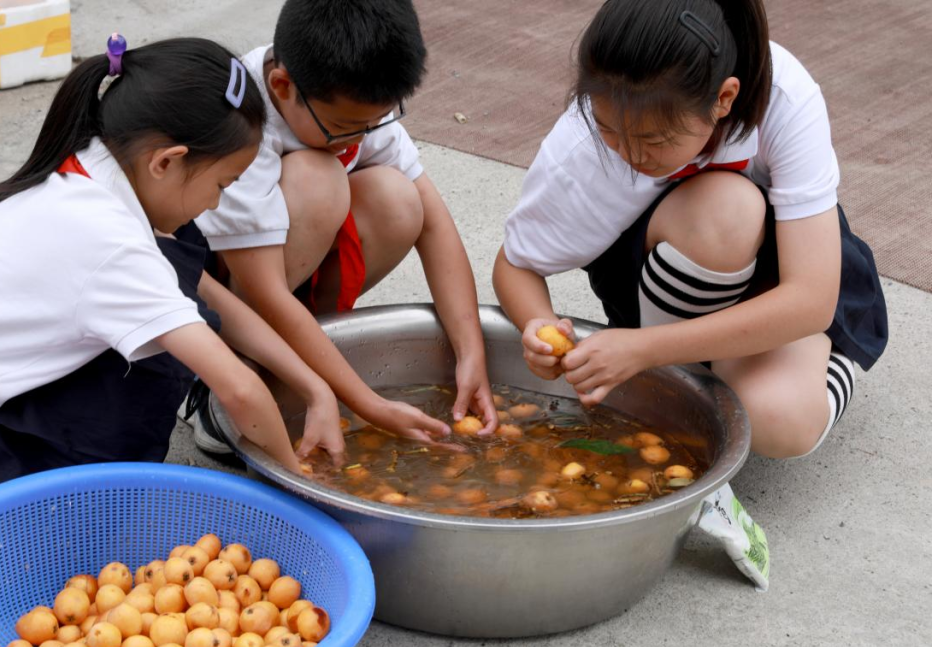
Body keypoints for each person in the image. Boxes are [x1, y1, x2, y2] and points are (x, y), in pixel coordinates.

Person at [0, 36, 343, 605]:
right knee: (150, 378)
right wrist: (305, 497)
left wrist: (315, 389)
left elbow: (212, 301)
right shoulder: (107, 241)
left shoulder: (105, 164)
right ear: (168, 161)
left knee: (182, 266)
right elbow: (238, 390)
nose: (215, 203)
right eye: (221, 186)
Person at [494, 0, 888, 459]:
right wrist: (538, 326)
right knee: (721, 213)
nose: (626, 153)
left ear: (724, 99)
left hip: (774, 286)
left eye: (653, 141)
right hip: (664, 286)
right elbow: (515, 264)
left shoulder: (783, 95)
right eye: (608, 129)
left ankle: (826, 359)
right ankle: (677, 391)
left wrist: (643, 350)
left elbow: (811, 298)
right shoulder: (583, 142)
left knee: (780, 423)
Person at [186, 0, 498, 454]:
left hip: (285, 274)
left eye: (377, 121)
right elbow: (263, 291)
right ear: (282, 85)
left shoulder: (351, 105)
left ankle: (313, 349)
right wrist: (366, 402)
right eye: (345, 128)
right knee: (319, 178)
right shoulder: (239, 120)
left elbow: (434, 225)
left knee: (399, 199)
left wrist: (471, 353)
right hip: (223, 292)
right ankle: (227, 371)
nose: (363, 135)